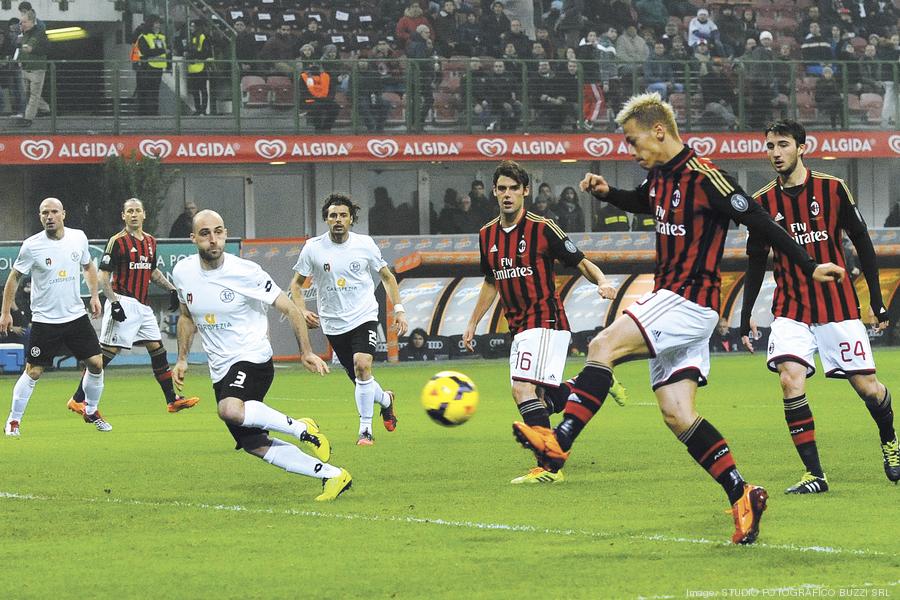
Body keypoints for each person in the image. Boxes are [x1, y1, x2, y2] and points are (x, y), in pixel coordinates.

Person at [511, 92, 845, 544]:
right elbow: (648, 204)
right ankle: (742, 493)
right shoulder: (660, 178)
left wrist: (808, 264)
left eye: (633, 142)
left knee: (601, 346)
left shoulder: (708, 178)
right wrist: (610, 194)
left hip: (688, 299)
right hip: (676, 302)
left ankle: (560, 440)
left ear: (659, 131)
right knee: (677, 412)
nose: (631, 151)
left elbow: (762, 221)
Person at [740, 120, 899, 491]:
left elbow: (863, 244)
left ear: (801, 147)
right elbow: (754, 260)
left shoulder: (833, 189)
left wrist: (875, 300)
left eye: (782, 144)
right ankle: (815, 475)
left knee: (868, 388)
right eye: (769, 146)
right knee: (789, 379)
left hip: (837, 307)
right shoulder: (761, 203)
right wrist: (747, 313)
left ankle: (890, 441)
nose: (775, 153)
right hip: (791, 308)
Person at [462, 160, 626, 485]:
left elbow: (580, 261)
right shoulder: (486, 235)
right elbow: (491, 281)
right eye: (501, 189)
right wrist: (472, 322)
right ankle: (593, 383)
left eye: (513, 188)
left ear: (525, 191)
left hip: (547, 320)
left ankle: (550, 466)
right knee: (541, 397)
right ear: (494, 192)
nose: (507, 195)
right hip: (519, 326)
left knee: (521, 388)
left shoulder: (542, 228)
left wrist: (602, 282)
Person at [171, 210, 351, 501]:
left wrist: (305, 351)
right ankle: (333, 476)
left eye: (218, 232)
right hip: (221, 370)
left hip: (252, 358)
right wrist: (181, 359)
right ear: (193, 238)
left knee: (230, 409)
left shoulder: (247, 272)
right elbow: (185, 317)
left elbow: (290, 307)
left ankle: (302, 428)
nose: (213, 240)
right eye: (205, 234)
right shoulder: (182, 273)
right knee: (254, 443)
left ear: (225, 234)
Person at [64, 198, 200, 416]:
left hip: (142, 306)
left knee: (157, 349)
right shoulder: (117, 241)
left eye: (137, 211)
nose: (134, 214)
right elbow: (103, 276)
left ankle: (171, 400)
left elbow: (152, 271)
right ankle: (76, 399)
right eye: (130, 211)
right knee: (104, 356)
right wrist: (114, 302)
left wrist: (172, 289)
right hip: (123, 301)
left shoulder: (150, 241)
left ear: (144, 214)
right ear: (123, 216)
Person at [290, 194, 407, 446]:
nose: (338, 220)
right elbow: (296, 285)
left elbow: (387, 277)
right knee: (360, 379)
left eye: (343, 215)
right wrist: (301, 310)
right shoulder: (313, 248)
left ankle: (365, 430)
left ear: (351, 219)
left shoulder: (364, 244)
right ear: (326, 219)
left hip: (364, 316)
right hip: (333, 324)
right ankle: (386, 400)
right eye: (333, 215)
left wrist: (398, 309)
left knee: (362, 364)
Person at [1, 198, 111, 436]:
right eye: (44, 213)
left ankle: (90, 410)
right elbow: (14, 277)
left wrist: (93, 296)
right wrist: (6, 311)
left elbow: (88, 266)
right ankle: (13, 421)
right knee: (33, 371)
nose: (49, 217)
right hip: (45, 320)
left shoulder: (78, 237)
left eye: (53, 212)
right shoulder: (32, 246)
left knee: (96, 363)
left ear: (63, 214)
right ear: (40, 217)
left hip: (75, 316)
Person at [14, 9, 47, 127]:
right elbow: (20, 49)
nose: (21, 24)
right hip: (25, 67)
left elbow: (41, 48)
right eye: (20, 22)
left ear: (31, 22)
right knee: (29, 94)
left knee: (34, 95)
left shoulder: (39, 32)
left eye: (24, 22)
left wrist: (31, 48)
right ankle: (45, 109)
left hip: (36, 68)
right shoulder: (24, 33)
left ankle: (28, 118)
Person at [135, 15, 167, 116]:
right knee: (148, 91)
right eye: (156, 23)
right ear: (151, 24)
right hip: (148, 67)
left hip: (159, 67)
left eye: (159, 23)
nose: (158, 25)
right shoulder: (143, 37)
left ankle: (154, 113)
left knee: (155, 92)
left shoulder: (162, 37)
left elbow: (166, 52)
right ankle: (147, 114)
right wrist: (162, 50)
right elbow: (146, 52)